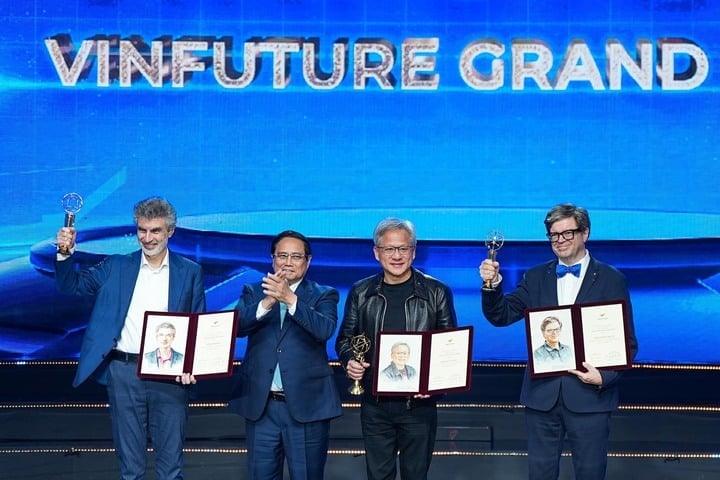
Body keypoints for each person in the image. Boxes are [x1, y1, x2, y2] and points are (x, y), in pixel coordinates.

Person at [479, 203, 638, 480]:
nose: (560, 241)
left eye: (567, 233)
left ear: (585, 233)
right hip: (542, 398)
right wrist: (491, 286)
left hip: (590, 398)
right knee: (540, 474)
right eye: (554, 235)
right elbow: (501, 316)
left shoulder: (612, 279)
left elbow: (627, 341)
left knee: (590, 473)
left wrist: (605, 377)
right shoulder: (536, 276)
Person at [54, 196, 206, 480]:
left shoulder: (190, 271)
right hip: (124, 373)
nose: (147, 238)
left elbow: (197, 324)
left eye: (156, 231)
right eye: (142, 230)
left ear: (170, 231)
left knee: (171, 469)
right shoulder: (115, 266)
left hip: (169, 375)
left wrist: (192, 366)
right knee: (130, 469)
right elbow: (71, 286)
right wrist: (65, 252)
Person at [335, 217, 458, 480]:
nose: (397, 256)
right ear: (376, 252)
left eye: (403, 248)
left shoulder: (437, 292)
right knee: (378, 475)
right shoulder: (360, 292)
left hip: (419, 406)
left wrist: (435, 383)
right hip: (375, 404)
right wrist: (350, 361)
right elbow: (345, 339)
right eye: (389, 249)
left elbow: (449, 345)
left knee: (416, 475)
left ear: (413, 252)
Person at [229, 230, 342, 480]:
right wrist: (267, 302)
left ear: (308, 261)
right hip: (262, 406)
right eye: (282, 255)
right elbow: (235, 328)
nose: (288, 262)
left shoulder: (324, 294)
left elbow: (324, 330)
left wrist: (290, 299)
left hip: (306, 406)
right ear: (272, 259)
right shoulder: (253, 291)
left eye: (296, 256)